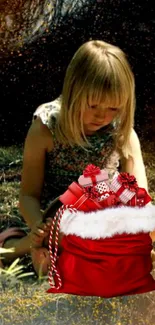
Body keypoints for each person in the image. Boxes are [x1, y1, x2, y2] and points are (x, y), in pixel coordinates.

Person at [0, 39, 150, 276]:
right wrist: (38, 225)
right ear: (73, 93)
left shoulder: (123, 133)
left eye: (113, 108)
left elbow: (140, 198)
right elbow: (28, 196)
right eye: (92, 105)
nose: (102, 116)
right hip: (58, 216)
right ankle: (23, 246)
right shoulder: (46, 129)